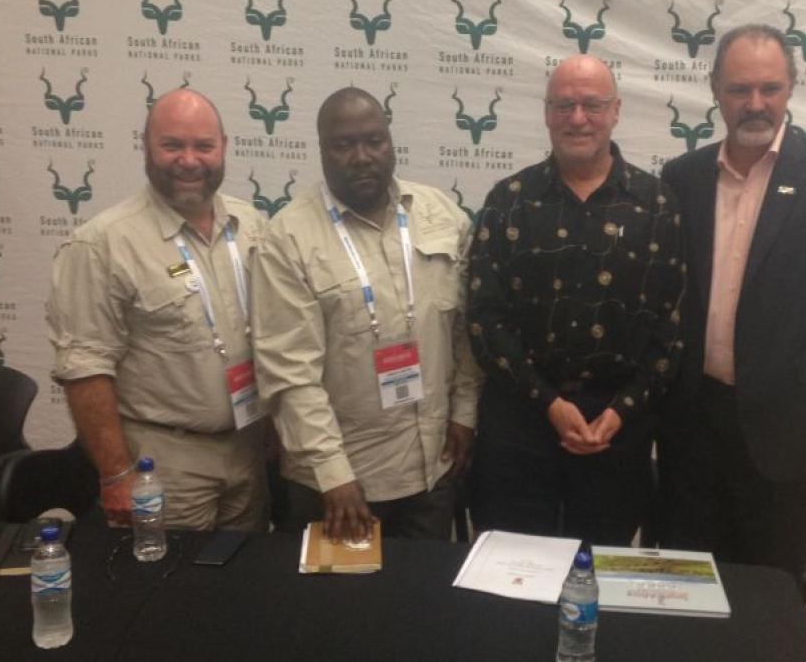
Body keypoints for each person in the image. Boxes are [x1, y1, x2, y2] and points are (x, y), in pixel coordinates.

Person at [658, 25, 806, 575]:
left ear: (792, 87)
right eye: (739, 89)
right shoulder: (682, 177)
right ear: (715, 90)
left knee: (769, 582)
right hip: (693, 419)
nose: (755, 104)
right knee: (688, 571)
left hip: (788, 426)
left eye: (770, 89)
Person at [465, 55, 686, 546]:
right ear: (546, 113)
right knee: (514, 573)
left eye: (592, 104)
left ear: (616, 110)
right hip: (522, 419)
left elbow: (672, 331)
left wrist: (621, 411)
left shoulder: (658, 205)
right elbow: (484, 319)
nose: (578, 118)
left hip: (617, 426)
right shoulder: (508, 202)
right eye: (564, 105)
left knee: (600, 572)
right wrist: (548, 402)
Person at [252, 88, 480, 541]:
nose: (361, 156)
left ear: (390, 142)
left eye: (374, 140)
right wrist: (334, 475)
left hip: (431, 469)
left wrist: (466, 412)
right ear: (321, 150)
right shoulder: (288, 238)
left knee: (420, 603)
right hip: (339, 486)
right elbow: (290, 373)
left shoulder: (441, 215)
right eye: (343, 144)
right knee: (338, 611)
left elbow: (465, 332)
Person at [47, 89, 270, 531]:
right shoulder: (102, 244)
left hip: (249, 453)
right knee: (168, 593)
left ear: (223, 146)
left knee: (242, 588)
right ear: (146, 147)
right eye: (172, 145)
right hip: (164, 465)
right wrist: (117, 475)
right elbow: (85, 367)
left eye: (203, 146)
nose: (189, 160)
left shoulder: (252, 227)